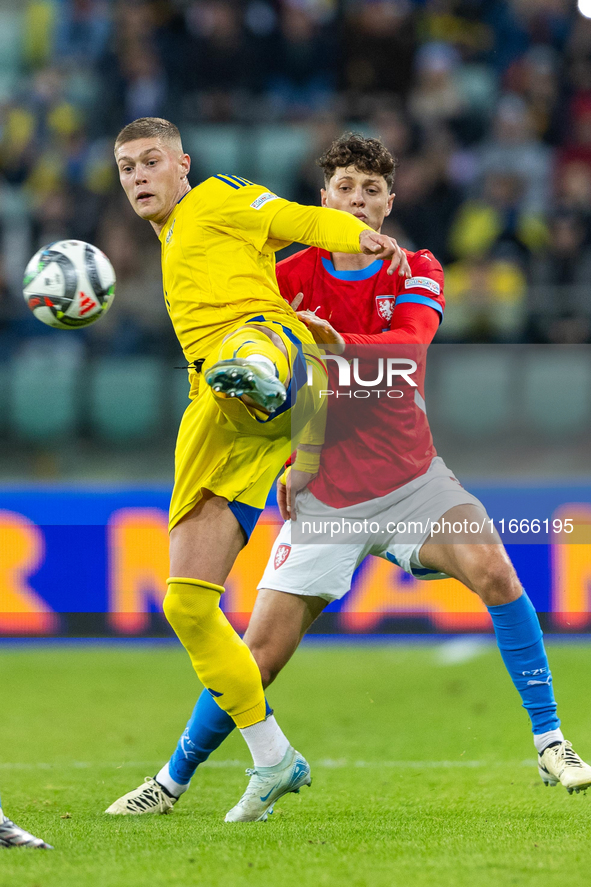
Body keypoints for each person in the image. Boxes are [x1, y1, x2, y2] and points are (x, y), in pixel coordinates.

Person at [107, 132, 591, 818]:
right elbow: (279, 378)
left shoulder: (415, 266)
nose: (358, 202)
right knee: (257, 654)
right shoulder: (287, 277)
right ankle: (173, 778)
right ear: (324, 197)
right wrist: (300, 456)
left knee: (495, 570)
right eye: (344, 190)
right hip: (325, 496)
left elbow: (409, 346)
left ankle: (551, 741)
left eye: (371, 191)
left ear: (388, 203)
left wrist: (332, 344)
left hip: (411, 481)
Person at [107, 119, 409, 823]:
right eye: (127, 169)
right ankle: (273, 756)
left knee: (252, 340)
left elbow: (291, 216)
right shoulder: (176, 234)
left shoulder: (216, 198)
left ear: (184, 164)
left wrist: (354, 234)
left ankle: (266, 380)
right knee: (186, 604)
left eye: (152, 162)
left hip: (261, 349)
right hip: (213, 409)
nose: (140, 177)